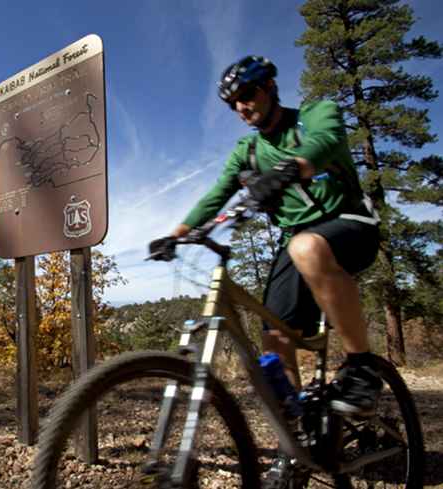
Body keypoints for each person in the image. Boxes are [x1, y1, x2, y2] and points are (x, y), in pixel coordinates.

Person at [150, 55, 383, 417]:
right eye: (233, 104)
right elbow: (218, 193)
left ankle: (361, 367)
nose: (241, 108)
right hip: (297, 240)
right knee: (274, 336)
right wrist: (175, 235)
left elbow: (324, 141)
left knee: (305, 245)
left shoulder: (313, 115)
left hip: (349, 221)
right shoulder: (249, 150)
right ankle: (299, 428)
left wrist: (292, 167)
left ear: (270, 87)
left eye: (247, 95)